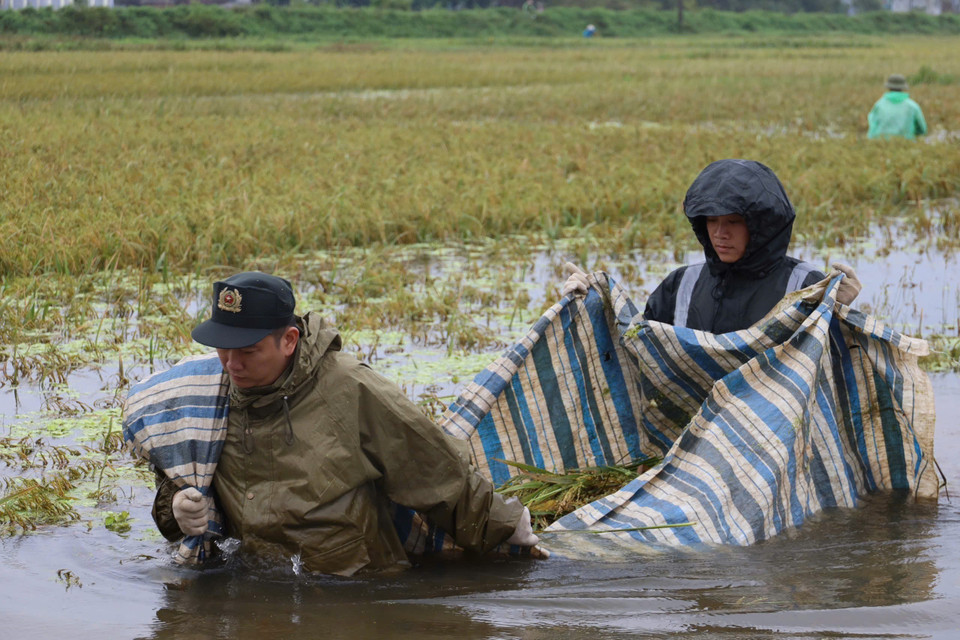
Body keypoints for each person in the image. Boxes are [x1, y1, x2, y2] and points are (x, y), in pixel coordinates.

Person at [152, 271, 538, 576]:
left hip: (356, 587)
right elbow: (178, 480)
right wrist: (177, 509)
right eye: (223, 348)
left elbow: (434, 469)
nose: (232, 364)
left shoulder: (351, 389)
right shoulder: (206, 395)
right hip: (254, 585)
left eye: (249, 352)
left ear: (289, 340)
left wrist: (506, 527)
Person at [562, 159, 861, 334]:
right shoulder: (680, 285)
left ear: (761, 226)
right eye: (711, 220)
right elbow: (636, 351)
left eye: (733, 221)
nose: (720, 233)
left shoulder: (805, 285)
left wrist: (843, 315)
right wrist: (589, 306)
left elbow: (836, 369)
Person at [867, 74, 927, 140]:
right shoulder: (913, 106)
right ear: (903, 88)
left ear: (888, 87)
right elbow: (922, 129)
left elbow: (872, 127)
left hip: (881, 143)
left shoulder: (879, 105)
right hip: (906, 143)